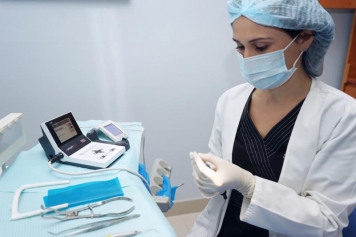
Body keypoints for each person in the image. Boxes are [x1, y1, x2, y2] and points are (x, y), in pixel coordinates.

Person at [188, 0, 356, 236]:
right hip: (223, 227)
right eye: (240, 47)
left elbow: (326, 219)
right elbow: (218, 171)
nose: (247, 59)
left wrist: (250, 185)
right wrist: (209, 179)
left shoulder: (344, 115)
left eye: (260, 47)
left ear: (305, 38)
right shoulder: (230, 100)